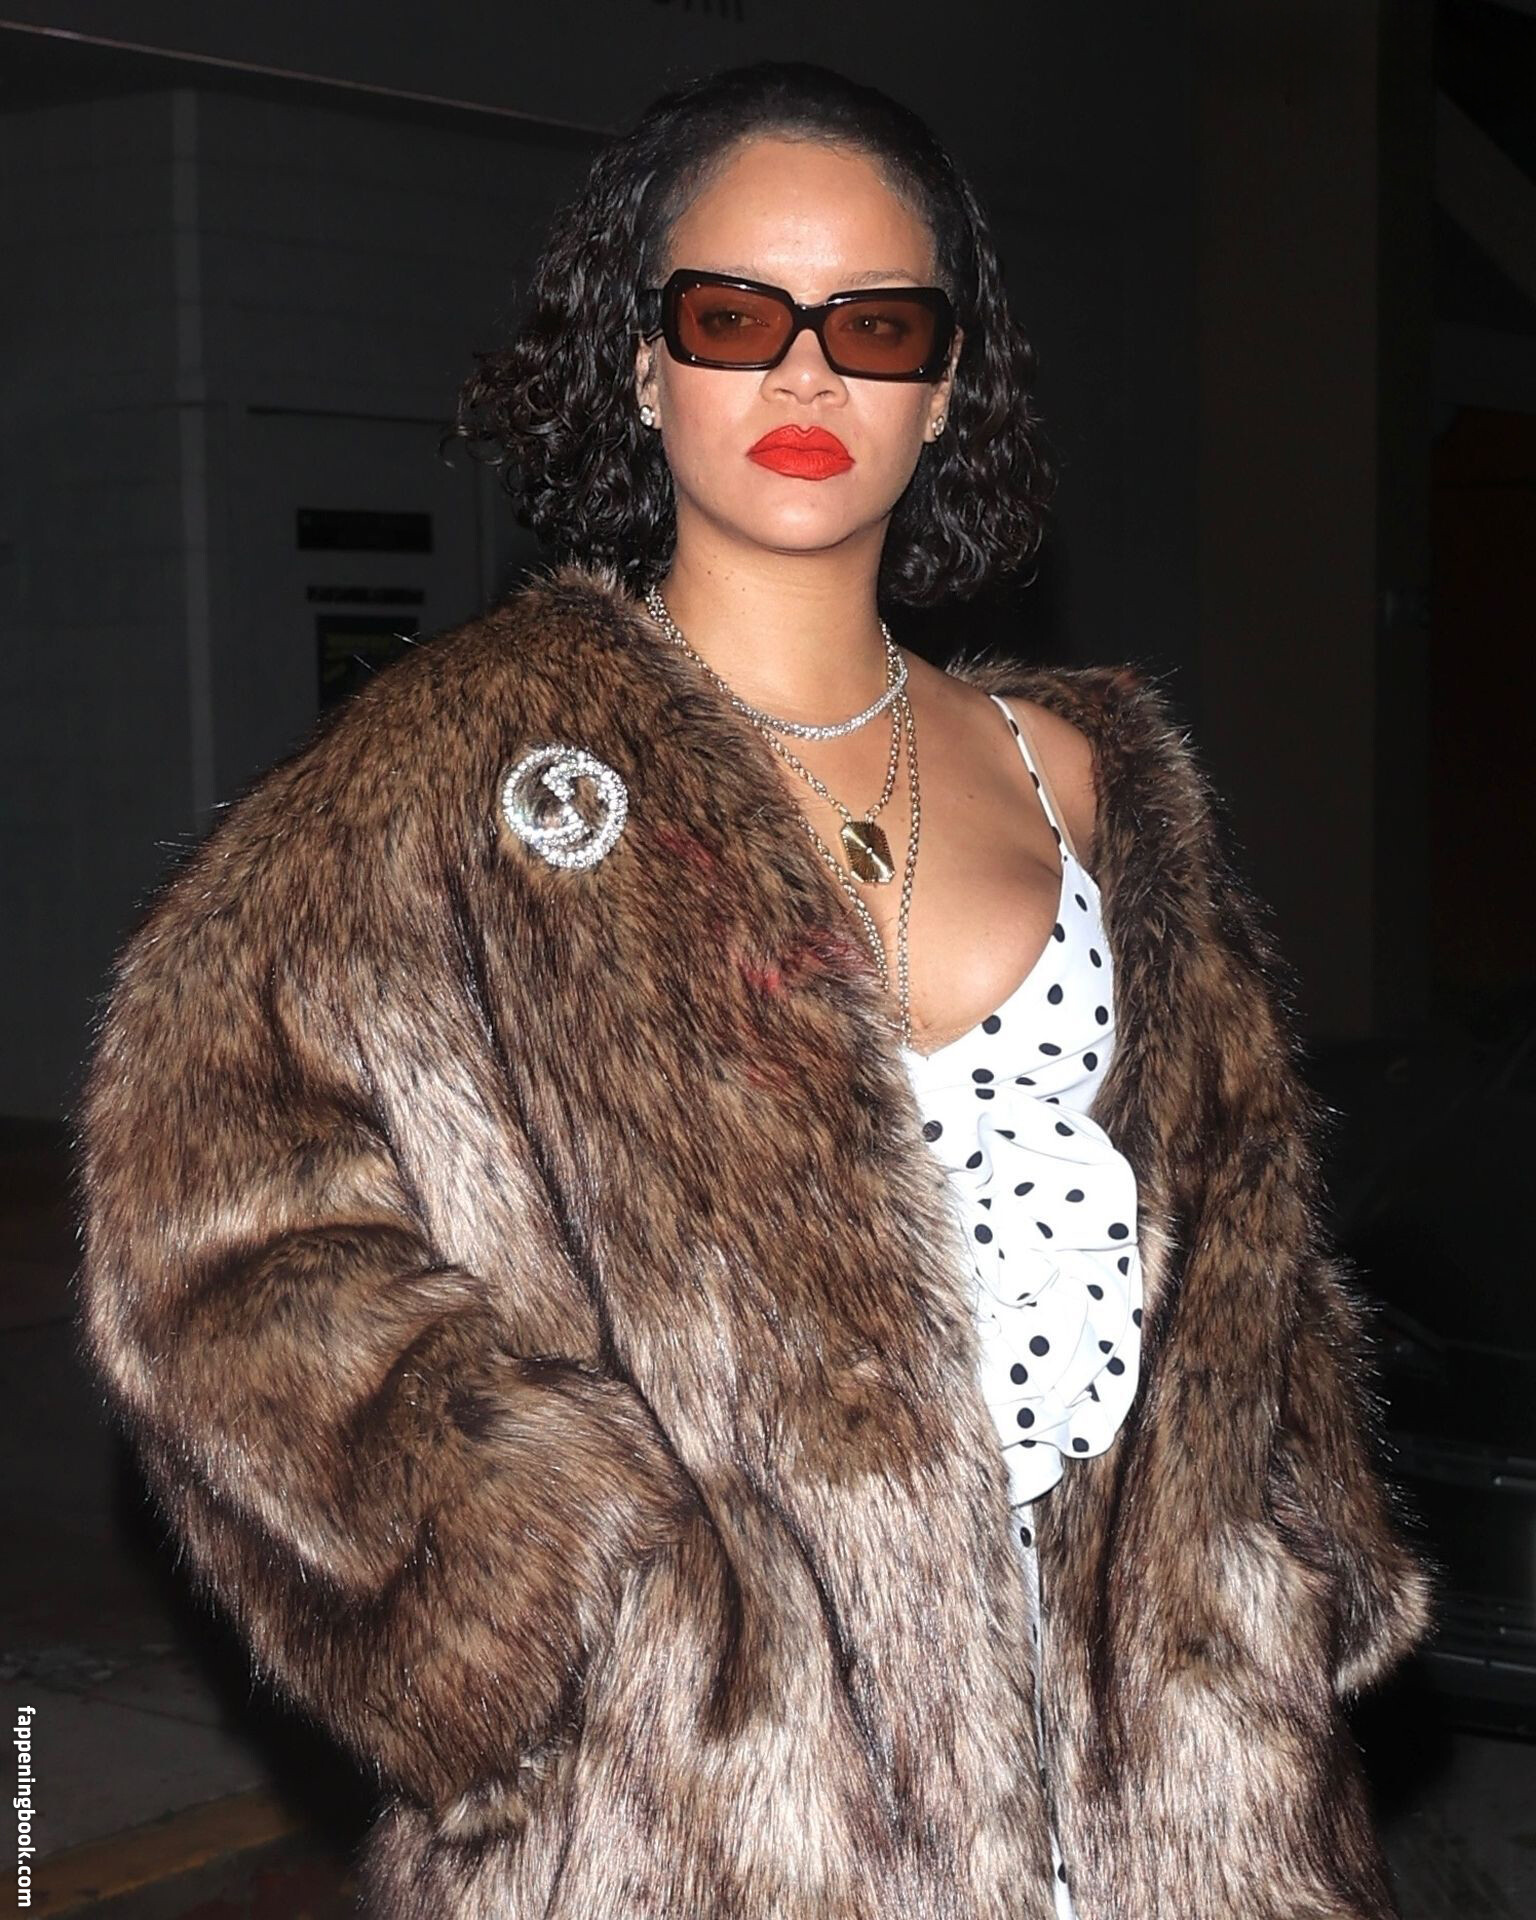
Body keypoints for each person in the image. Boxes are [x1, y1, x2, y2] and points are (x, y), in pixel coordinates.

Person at [75, 58, 1434, 1920]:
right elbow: (203, 1227)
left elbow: (1243, 1248)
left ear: (943, 386)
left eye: (873, 325)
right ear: (645, 363)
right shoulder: (462, 776)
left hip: (1165, 1805)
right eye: (735, 316)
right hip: (707, 1831)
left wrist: (1288, 1568)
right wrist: (551, 1595)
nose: (806, 377)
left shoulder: (1094, 784)